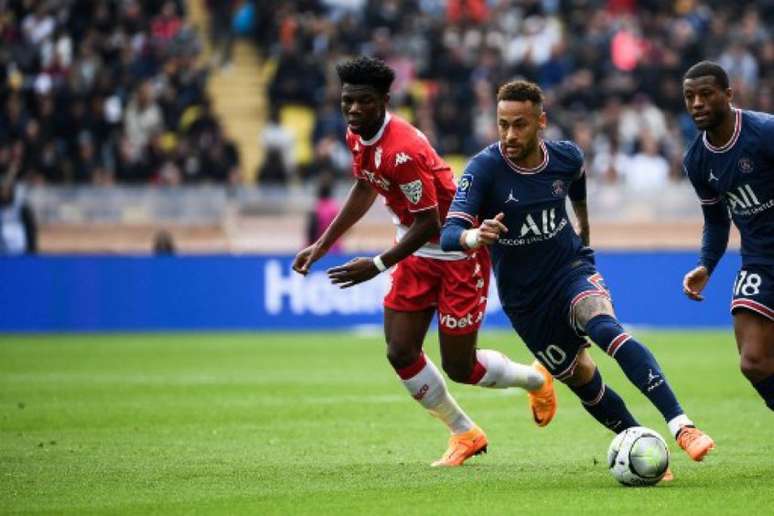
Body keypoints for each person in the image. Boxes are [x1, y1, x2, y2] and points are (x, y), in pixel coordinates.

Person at [440, 80, 714, 478]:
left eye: (519, 125)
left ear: (541, 123)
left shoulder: (566, 157)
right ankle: (638, 441)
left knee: (604, 327)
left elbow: (577, 182)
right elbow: (450, 233)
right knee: (583, 378)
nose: (509, 135)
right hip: (525, 300)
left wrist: (583, 233)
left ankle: (682, 426)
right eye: (502, 125)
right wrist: (473, 236)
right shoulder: (485, 168)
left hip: (569, 271)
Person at [292, 57, 556, 467]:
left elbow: (429, 222)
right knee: (399, 351)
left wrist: (377, 265)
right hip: (414, 255)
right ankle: (464, 432)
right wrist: (324, 243)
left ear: (384, 100)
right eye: (347, 102)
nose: (354, 110)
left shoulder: (404, 151)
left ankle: (536, 379)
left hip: (456, 254)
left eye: (363, 101)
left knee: (460, 367)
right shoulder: (357, 135)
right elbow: (366, 185)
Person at [681, 61, 774, 411]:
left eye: (706, 94)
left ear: (729, 95)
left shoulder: (764, 132)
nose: (697, 103)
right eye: (690, 97)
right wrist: (706, 264)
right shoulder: (697, 161)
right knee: (753, 361)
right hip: (760, 261)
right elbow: (717, 221)